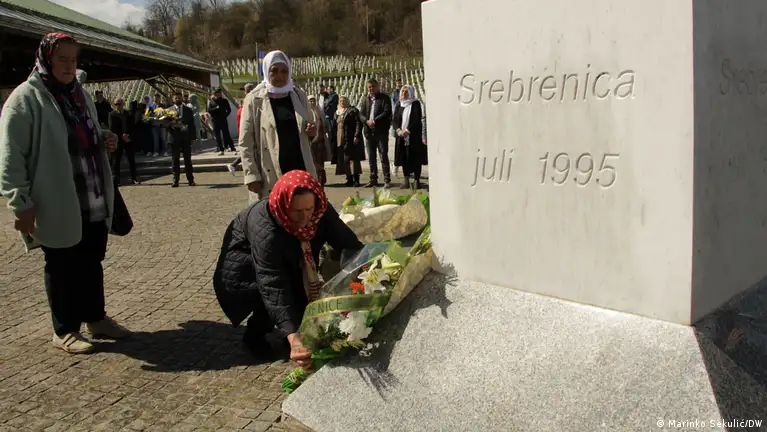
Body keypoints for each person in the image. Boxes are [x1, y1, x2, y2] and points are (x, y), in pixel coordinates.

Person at [0, 33, 130, 354]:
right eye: (63, 59)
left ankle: (96, 319)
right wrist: (19, 202)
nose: (70, 66)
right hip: (56, 199)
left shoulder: (79, 94)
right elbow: (11, 157)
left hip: (92, 195)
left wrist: (105, 136)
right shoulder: (25, 99)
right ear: (46, 58)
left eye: (74, 60)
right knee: (61, 265)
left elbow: (82, 133)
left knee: (92, 260)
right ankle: (65, 329)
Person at [213, 170, 363, 362]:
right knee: (275, 294)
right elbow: (271, 282)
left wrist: (371, 267)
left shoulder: (320, 209)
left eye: (309, 209)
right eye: (297, 211)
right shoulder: (265, 227)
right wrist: (294, 337)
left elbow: (347, 242)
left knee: (299, 288)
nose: (305, 218)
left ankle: (292, 332)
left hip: (289, 255)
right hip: (245, 264)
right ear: (284, 205)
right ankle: (255, 336)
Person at [239, 50, 318, 205]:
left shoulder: (299, 95)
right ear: (266, 71)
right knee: (275, 211)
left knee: (301, 211)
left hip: (299, 167)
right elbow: (245, 141)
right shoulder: (254, 100)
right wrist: (251, 175)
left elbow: (310, 127)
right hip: (270, 168)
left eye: (284, 71)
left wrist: (312, 132)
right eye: (274, 71)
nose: (279, 75)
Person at [358, 78, 393, 188]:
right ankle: (373, 179)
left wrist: (375, 120)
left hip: (381, 132)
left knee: (383, 156)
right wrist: (366, 121)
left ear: (377, 87)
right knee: (371, 157)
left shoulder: (384, 98)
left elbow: (387, 112)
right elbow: (361, 114)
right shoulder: (365, 99)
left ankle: (387, 180)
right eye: (369, 87)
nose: (371, 89)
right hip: (369, 132)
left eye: (373, 86)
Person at [392, 85, 427, 189]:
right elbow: (394, 119)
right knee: (404, 158)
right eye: (403, 91)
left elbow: (416, 119)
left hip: (413, 136)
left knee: (415, 158)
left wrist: (408, 130)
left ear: (411, 93)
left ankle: (416, 180)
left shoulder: (415, 104)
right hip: (401, 136)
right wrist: (398, 130)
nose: (404, 94)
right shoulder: (399, 104)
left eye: (406, 92)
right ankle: (406, 180)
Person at [168, 91, 196, 188]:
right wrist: (171, 125)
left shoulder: (188, 110)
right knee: (175, 160)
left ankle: (191, 180)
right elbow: (165, 124)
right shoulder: (168, 111)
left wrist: (193, 137)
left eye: (179, 98)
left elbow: (192, 125)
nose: (178, 99)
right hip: (174, 138)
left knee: (187, 160)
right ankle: (175, 180)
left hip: (185, 138)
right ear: (173, 99)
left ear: (182, 98)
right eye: (176, 98)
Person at [108, 97, 139, 185]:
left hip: (128, 140)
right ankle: (116, 180)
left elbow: (132, 126)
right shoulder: (112, 114)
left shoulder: (128, 114)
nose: (117, 106)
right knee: (116, 160)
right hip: (119, 139)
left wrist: (128, 136)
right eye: (115, 104)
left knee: (131, 159)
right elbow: (112, 127)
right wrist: (121, 136)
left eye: (119, 104)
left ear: (123, 104)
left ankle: (134, 178)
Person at [335, 96, 365, 187]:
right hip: (341, 138)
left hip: (351, 138)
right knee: (345, 160)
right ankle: (349, 178)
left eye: (344, 100)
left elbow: (358, 123)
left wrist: (356, 135)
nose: (342, 102)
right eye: (340, 100)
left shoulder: (353, 110)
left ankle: (356, 179)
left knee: (353, 160)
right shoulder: (337, 112)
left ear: (347, 101)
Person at [228, 82, 256, 176]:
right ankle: (234, 165)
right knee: (249, 151)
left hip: (243, 130)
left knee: (248, 151)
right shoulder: (249, 102)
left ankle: (234, 165)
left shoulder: (243, 104)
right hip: (248, 131)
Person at [307, 95, 327, 186]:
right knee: (313, 163)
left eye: (313, 101)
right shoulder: (307, 114)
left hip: (320, 142)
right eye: (310, 101)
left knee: (320, 163)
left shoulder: (319, 112)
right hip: (311, 142)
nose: (312, 103)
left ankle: (321, 181)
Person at [208, 88, 235, 155]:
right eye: (216, 93)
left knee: (226, 134)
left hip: (223, 119)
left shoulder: (224, 101)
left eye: (219, 93)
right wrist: (216, 108)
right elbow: (209, 110)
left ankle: (232, 148)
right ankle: (221, 149)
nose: (218, 95)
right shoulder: (212, 101)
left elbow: (229, 109)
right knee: (217, 136)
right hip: (215, 120)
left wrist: (226, 115)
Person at [323, 85, 339, 166]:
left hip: (332, 118)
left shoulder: (334, 96)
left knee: (333, 137)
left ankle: (335, 157)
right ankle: (332, 156)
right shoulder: (328, 97)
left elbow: (326, 104)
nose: (327, 90)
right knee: (330, 138)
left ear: (332, 89)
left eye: (328, 89)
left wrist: (325, 102)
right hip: (327, 118)